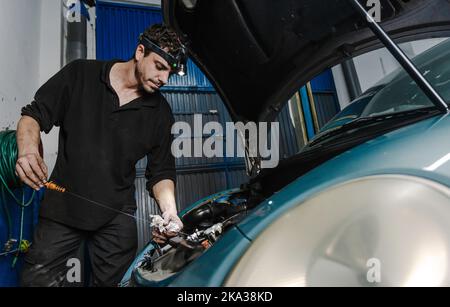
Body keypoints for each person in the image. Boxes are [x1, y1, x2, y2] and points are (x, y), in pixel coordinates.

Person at [16, 24, 185, 287]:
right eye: (160, 66)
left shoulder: (160, 113)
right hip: (63, 208)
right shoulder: (80, 74)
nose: (164, 78)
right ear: (140, 51)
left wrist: (170, 212)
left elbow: (161, 172)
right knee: (34, 281)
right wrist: (27, 152)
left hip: (116, 216)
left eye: (170, 73)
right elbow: (33, 116)